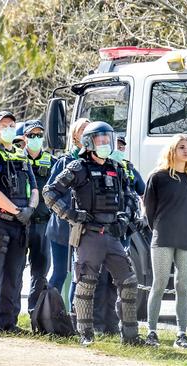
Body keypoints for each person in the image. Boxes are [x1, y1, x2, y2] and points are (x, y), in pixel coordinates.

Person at [43, 121, 144, 346]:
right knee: (86, 283)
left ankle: (131, 336)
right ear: (89, 142)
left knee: (128, 282)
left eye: (107, 138)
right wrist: (71, 215)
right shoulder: (79, 168)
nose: (105, 143)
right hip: (89, 235)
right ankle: (85, 333)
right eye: (100, 139)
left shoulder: (116, 167)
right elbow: (49, 193)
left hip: (112, 235)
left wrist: (124, 217)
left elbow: (129, 195)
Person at [0, 111, 39, 337]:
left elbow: (34, 188)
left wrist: (30, 209)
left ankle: (7, 322)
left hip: (20, 223)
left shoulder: (22, 155)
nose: (9, 128)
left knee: (14, 274)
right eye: (4, 125)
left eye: (12, 124)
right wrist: (16, 210)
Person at [143, 134, 187, 349]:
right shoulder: (157, 177)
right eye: (181, 147)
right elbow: (148, 211)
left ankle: (182, 335)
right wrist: (158, 230)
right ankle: (151, 332)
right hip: (163, 238)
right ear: (172, 151)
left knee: (182, 287)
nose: (186, 151)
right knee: (158, 285)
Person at [92, 135, 146, 335]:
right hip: (103, 228)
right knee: (98, 279)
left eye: (123, 147)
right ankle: (96, 324)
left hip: (124, 230)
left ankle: (112, 324)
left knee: (117, 280)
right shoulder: (103, 167)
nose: (120, 149)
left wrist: (142, 216)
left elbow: (144, 192)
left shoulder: (128, 169)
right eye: (117, 146)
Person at [45, 118, 89, 294]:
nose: (86, 133)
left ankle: (74, 317)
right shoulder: (64, 162)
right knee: (60, 273)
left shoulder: (93, 162)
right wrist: (68, 213)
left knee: (80, 276)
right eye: (83, 130)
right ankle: (47, 313)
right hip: (61, 229)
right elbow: (49, 192)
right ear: (75, 136)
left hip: (84, 229)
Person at [21, 120, 56, 313]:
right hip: (20, 223)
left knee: (40, 272)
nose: (35, 139)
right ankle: (9, 316)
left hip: (43, 225)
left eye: (39, 135)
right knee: (14, 270)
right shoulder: (16, 159)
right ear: (25, 138)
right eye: (31, 135)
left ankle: (34, 312)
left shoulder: (52, 162)